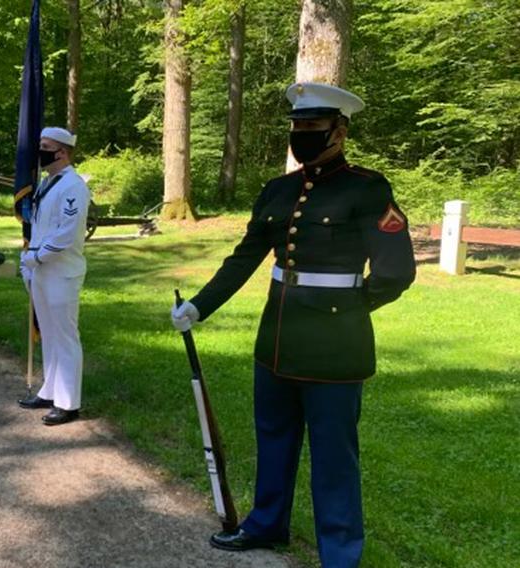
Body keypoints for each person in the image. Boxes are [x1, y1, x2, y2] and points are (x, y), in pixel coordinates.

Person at [170, 83, 416, 567]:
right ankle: (267, 524)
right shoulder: (278, 190)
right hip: (277, 340)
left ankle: (340, 554)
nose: (302, 135)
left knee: (334, 458)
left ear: (339, 131)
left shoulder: (367, 189)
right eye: (297, 127)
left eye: (313, 127)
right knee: (275, 439)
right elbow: (244, 259)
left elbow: (396, 271)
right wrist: (200, 306)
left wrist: (349, 309)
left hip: (335, 348)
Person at [17, 127, 91, 426]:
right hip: (40, 270)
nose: (40, 151)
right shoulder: (47, 183)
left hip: (60, 271)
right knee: (47, 333)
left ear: (61, 151)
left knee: (64, 336)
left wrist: (37, 256)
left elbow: (66, 234)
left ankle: (69, 402)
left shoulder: (73, 185)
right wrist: (30, 261)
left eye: (45, 146)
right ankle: (50, 390)